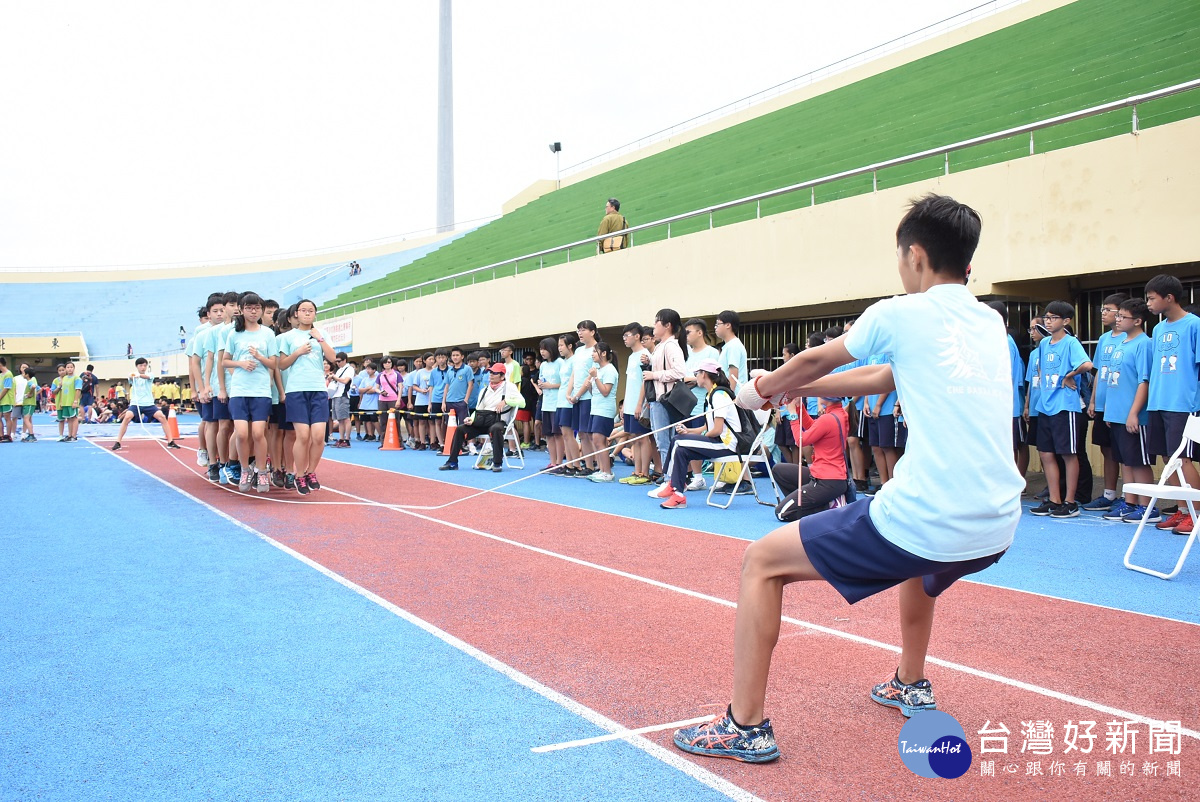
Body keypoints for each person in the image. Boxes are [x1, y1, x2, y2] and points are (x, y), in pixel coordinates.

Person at [673, 193, 1021, 764]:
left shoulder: (900, 312)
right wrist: (797, 390)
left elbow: (818, 359)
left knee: (762, 562)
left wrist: (757, 391)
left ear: (914, 255)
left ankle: (745, 726)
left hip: (929, 519)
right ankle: (910, 682)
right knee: (921, 562)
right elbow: (884, 375)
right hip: (996, 526)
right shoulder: (988, 322)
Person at [1144, 274, 1200, 536]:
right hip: (1159, 401)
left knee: (1183, 458)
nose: (1148, 303)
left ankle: (1196, 513)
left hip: (1183, 402)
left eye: (1152, 298)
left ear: (1169, 297)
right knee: (1168, 459)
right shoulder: (1157, 329)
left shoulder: (1194, 325)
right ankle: (1183, 510)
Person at [1029, 300, 1092, 518]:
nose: (1048, 320)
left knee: (1068, 453)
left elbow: (1087, 364)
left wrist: (1069, 376)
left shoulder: (1071, 342)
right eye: (1046, 316)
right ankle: (1054, 499)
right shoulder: (1045, 344)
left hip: (1065, 406)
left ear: (1065, 321)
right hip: (1045, 406)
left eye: (1053, 317)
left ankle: (1070, 501)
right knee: (1046, 453)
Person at [652, 360, 740, 509]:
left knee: (678, 441)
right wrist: (689, 432)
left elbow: (717, 430)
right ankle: (678, 495)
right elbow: (708, 426)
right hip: (718, 441)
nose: (695, 377)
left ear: (704, 374)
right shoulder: (711, 394)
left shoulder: (719, 395)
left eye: (696, 374)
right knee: (681, 449)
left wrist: (693, 437)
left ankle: (672, 484)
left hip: (725, 445)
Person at [1101, 298, 1159, 523]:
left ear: (1137, 321)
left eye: (1122, 316)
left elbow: (1143, 381)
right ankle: (1130, 502)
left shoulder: (1144, 344)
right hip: (1116, 414)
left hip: (1133, 415)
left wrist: (1133, 413)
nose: (1118, 320)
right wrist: (1109, 412)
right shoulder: (1120, 343)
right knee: (1125, 460)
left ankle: (1148, 507)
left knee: (1138, 461)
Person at [276, 299, 336, 494]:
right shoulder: (287, 337)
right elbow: (282, 364)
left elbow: (333, 357)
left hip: (318, 389)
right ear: (296, 314)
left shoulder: (321, 334)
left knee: (318, 436)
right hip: (296, 390)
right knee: (302, 435)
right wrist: (299, 352)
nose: (307, 313)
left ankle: (311, 472)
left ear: (315, 314)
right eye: (303, 310)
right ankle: (299, 475)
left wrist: (319, 338)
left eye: (311, 311)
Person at [218, 293, 277, 492]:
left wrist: (259, 356)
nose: (253, 311)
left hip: (260, 390)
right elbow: (225, 361)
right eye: (249, 308)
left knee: (258, 433)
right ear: (242, 310)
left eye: (257, 308)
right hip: (240, 389)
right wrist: (241, 363)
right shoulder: (234, 334)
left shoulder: (268, 333)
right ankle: (244, 469)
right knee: (242, 434)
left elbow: (274, 363)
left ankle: (261, 472)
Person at [1082, 293, 1130, 510]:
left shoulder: (1130, 338)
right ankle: (1109, 494)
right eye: (1102, 309)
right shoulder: (1103, 339)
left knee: (1126, 452)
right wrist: (1093, 401)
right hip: (1102, 404)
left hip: (1121, 406)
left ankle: (1130, 497)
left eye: (1107, 309)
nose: (1103, 313)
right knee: (1106, 449)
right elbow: (1099, 372)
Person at [771, 396, 850, 521]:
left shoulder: (828, 418)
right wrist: (799, 407)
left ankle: (828, 508)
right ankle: (807, 502)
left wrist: (792, 414)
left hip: (826, 481)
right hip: (827, 477)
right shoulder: (839, 413)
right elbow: (813, 427)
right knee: (779, 470)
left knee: (782, 513)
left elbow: (800, 441)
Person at [439, 363, 524, 472]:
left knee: (496, 429)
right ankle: (452, 462)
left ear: (502, 376)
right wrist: (471, 419)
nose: (491, 375)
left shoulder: (509, 387)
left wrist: (506, 401)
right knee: (460, 429)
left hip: (499, 421)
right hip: (482, 421)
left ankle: (497, 463)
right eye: (490, 372)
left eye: (495, 373)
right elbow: (478, 410)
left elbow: (522, 403)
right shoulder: (484, 390)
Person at [642, 309, 688, 475]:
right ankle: (670, 477)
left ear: (667, 325)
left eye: (657, 322)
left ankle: (671, 480)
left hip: (666, 400)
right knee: (662, 441)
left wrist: (654, 374)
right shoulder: (661, 346)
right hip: (657, 400)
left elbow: (679, 372)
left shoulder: (671, 346)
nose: (654, 326)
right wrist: (650, 362)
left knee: (665, 442)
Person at [680, 318, 721, 491]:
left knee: (702, 439)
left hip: (704, 404)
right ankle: (696, 477)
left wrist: (691, 379)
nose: (686, 336)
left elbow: (715, 377)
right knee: (687, 438)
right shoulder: (686, 353)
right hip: (685, 403)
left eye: (688, 332)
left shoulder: (712, 353)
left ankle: (708, 476)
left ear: (700, 332)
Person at [111, 357, 182, 451]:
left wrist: (139, 375)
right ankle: (118, 442)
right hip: (136, 404)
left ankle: (170, 441)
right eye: (141, 365)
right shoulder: (133, 375)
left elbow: (147, 377)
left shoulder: (150, 375)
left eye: (145, 365)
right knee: (127, 417)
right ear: (137, 366)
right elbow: (130, 377)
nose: (143, 367)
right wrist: (133, 376)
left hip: (149, 404)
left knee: (162, 417)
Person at [619, 322, 654, 485]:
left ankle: (645, 473)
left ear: (637, 336)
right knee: (634, 437)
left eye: (627, 335)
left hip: (641, 404)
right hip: (630, 403)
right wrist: (626, 404)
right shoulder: (631, 356)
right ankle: (637, 471)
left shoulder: (644, 355)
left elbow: (644, 383)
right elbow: (630, 383)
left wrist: (639, 404)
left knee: (643, 437)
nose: (624, 339)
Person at [585, 342, 621, 482]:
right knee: (596, 440)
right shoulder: (598, 370)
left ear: (604, 353)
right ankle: (601, 469)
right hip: (596, 408)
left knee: (600, 440)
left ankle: (607, 472)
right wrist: (589, 386)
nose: (592, 354)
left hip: (605, 410)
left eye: (595, 351)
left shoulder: (610, 370)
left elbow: (606, 391)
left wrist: (595, 377)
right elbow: (596, 392)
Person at [554, 333, 582, 475]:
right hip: (560, 400)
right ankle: (569, 463)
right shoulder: (563, 362)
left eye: (561, 345)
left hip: (569, 401)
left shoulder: (575, 360)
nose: (559, 348)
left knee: (568, 433)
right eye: (558, 345)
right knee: (564, 433)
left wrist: (571, 396)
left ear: (570, 346)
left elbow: (575, 380)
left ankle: (576, 464)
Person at [536, 338, 563, 471]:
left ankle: (559, 462)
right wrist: (541, 384)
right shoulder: (543, 365)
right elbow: (541, 380)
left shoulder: (560, 363)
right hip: (546, 403)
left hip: (557, 403)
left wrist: (550, 385)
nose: (542, 352)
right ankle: (552, 462)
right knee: (548, 435)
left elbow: (566, 383)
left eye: (545, 349)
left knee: (558, 434)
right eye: (541, 349)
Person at [715, 310, 748, 390]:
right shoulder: (729, 346)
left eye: (718, 324)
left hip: (734, 396)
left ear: (728, 325)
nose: (715, 327)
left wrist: (729, 397)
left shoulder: (733, 346)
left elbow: (733, 376)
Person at [52, 362, 83, 442]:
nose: (69, 369)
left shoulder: (77, 378)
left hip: (72, 401)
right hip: (65, 402)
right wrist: (62, 402)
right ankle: (69, 435)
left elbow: (78, 390)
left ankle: (74, 435)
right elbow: (62, 391)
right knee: (69, 419)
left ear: (74, 368)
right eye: (68, 367)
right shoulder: (64, 379)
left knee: (74, 418)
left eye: (71, 367)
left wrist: (75, 401)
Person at [329, 353, 355, 448]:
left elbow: (345, 381)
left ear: (345, 360)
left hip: (343, 396)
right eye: (336, 361)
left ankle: (347, 440)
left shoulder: (349, 369)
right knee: (339, 419)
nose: (338, 363)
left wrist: (334, 377)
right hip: (336, 395)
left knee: (346, 418)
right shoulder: (339, 370)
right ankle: (341, 439)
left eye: (339, 361)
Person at [356, 359, 381, 443]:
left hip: (373, 402)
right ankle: (370, 435)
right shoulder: (364, 379)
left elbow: (374, 390)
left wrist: (366, 390)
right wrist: (367, 389)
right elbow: (360, 390)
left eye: (370, 369)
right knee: (366, 419)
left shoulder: (377, 379)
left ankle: (381, 434)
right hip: (365, 403)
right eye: (367, 369)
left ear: (374, 370)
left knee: (374, 419)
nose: (368, 370)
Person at [19, 367, 38, 441]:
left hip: (29, 403)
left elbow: (33, 386)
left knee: (26, 419)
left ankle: (31, 434)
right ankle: (30, 434)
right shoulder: (30, 381)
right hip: (30, 403)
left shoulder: (30, 381)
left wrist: (30, 394)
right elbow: (38, 388)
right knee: (28, 419)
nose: (22, 374)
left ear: (27, 374)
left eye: (24, 373)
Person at [0, 358, 13, 442]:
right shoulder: (1, 375)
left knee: (7, 417)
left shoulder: (8, 374)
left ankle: (8, 435)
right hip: (1, 400)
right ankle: (1, 435)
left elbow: (6, 388)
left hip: (6, 400)